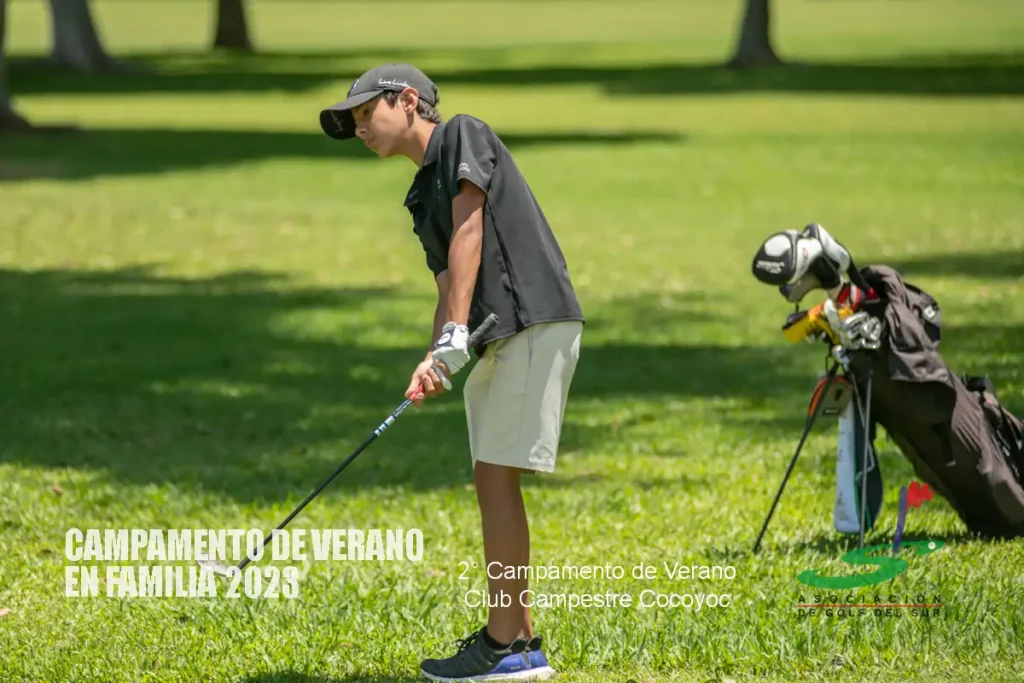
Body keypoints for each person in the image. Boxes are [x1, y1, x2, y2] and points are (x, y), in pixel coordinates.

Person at [319, 63, 585, 682]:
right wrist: (434, 352)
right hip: (497, 336)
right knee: (492, 478)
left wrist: (456, 333)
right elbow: (446, 283)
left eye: (367, 113)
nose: (361, 129)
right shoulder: (419, 196)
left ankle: (505, 645)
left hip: (531, 320)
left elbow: (470, 229)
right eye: (354, 122)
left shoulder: (464, 133)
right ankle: (519, 642)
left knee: (495, 477)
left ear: (409, 100)